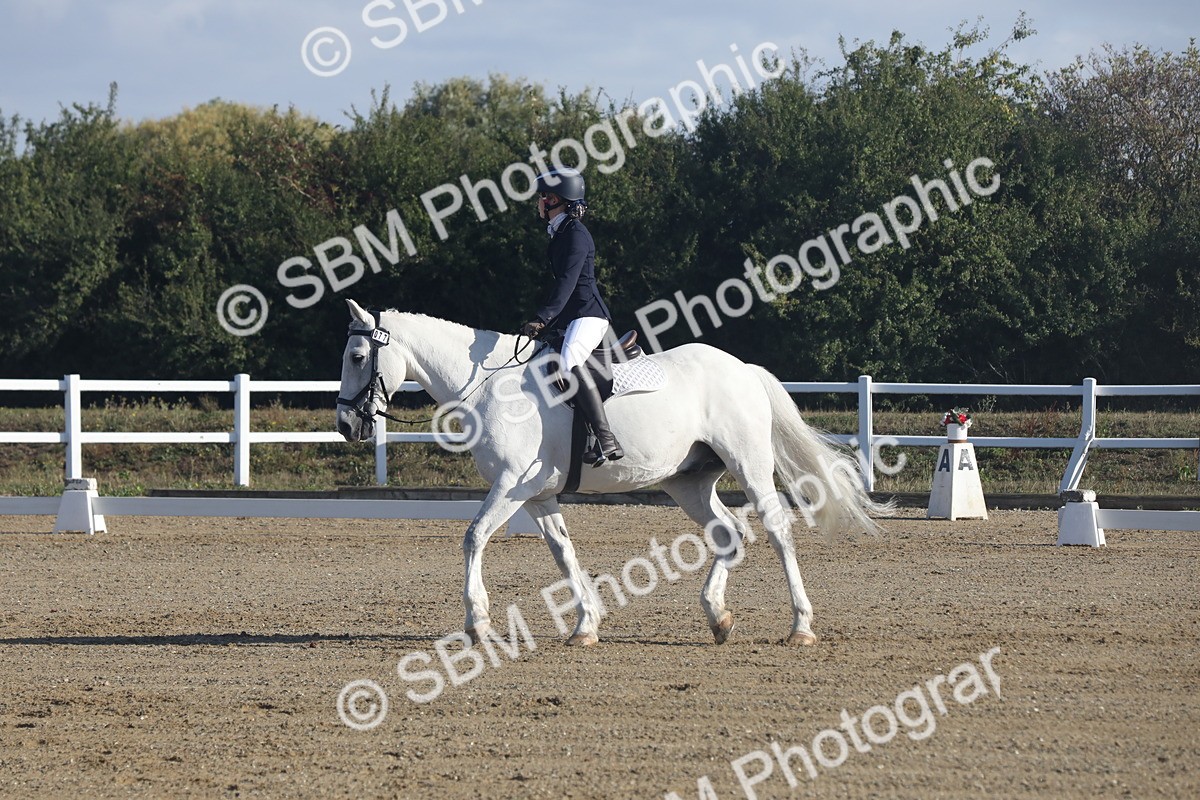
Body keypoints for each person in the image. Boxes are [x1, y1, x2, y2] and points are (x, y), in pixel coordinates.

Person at [520, 168, 624, 466]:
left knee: (568, 362)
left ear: (554, 199)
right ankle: (587, 437)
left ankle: (606, 439)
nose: (538, 203)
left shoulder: (575, 235)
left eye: (542, 196)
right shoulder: (562, 232)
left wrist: (543, 317)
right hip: (571, 316)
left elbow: (567, 283)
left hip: (588, 314)